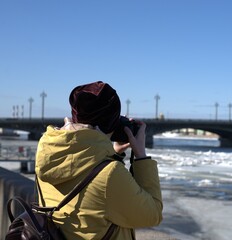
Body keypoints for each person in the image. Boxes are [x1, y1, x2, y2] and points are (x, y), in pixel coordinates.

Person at [35, 81, 163, 239]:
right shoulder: (109, 174)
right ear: (111, 123)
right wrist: (142, 157)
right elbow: (153, 214)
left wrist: (113, 153)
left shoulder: (48, 151)